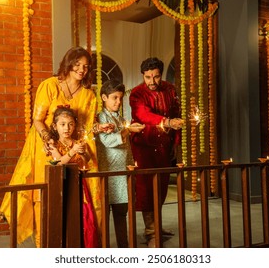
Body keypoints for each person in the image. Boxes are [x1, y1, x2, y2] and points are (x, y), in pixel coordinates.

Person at [0, 46, 112, 247]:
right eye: (77, 64)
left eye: (86, 67)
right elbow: (38, 119)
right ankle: (46, 246)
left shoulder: (89, 94)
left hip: (76, 148)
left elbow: (87, 126)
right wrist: (48, 139)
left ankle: (78, 244)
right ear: (68, 63)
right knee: (47, 198)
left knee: (79, 197)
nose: (81, 70)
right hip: (47, 146)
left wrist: (100, 127)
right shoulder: (50, 86)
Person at [129, 57, 184, 247]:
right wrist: (167, 122)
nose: (152, 82)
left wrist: (175, 143)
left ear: (161, 74)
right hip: (144, 146)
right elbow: (143, 115)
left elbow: (177, 113)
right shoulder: (136, 94)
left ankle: (157, 227)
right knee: (146, 188)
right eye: (148, 77)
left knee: (161, 188)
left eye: (156, 77)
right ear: (143, 76)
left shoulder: (170, 89)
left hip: (164, 146)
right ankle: (151, 232)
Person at [95, 80, 145, 248]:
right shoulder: (100, 118)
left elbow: (127, 148)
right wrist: (127, 131)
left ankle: (124, 248)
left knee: (121, 213)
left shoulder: (122, 119)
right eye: (114, 98)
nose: (118, 102)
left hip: (122, 175)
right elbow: (108, 141)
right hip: (108, 174)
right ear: (103, 97)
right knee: (104, 216)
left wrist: (131, 168)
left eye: (120, 98)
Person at [47, 105, 98, 248]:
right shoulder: (52, 144)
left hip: (79, 186)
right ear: (55, 126)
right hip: (61, 185)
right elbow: (58, 162)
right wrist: (72, 152)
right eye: (62, 124)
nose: (66, 128)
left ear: (75, 125)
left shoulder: (77, 142)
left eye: (70, 124)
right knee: (64, 216)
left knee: (84, 218)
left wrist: (82, 152)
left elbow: (87, 160)